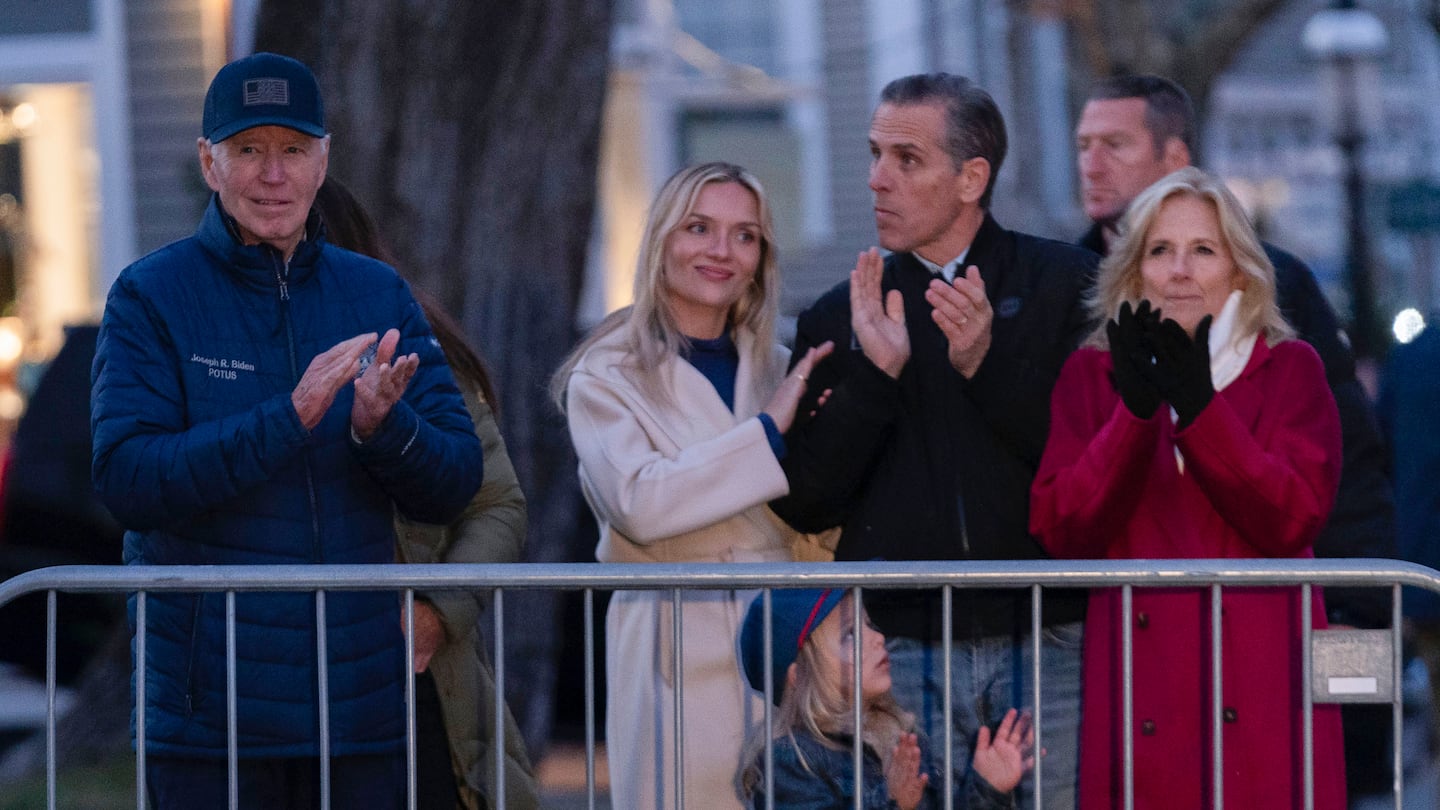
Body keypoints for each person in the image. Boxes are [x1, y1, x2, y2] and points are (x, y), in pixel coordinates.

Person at [90, 53, 484, 809]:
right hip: (211, 725)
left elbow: (456, 482)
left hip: (361, 718)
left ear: (323, 161)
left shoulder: (375, 290)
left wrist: (384, 428)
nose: (273, 175)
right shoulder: (150, 295)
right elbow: (128, 480)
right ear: (210, 164)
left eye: (293, 150)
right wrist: (288, 418)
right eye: (248, 150)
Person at [770, 73, 1097, 807]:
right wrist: (876, 379)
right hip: (901, 647)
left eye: (906, 159)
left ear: (971, 177)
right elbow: (806, 501)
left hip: (1047, 636)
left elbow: (1090, 470)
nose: (876, 179)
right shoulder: (838, 312)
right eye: (874, 153)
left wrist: (987, 365)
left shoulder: (1070, 287)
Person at [1073, 74, 1397, 794]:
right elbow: (1064, 514)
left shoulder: (1286, 329)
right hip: (1138, 664)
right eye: (1083, 145)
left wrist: (1360, 608)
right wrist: (1134, 414)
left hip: (1273, 643)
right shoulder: (1074, 316)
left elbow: (1338, 476)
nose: (1092, 163)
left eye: (1114, 144)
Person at [1030, 167, 1346, 808]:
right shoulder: (1093, 377)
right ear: (1132, 269)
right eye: (1160, 250)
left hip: (1261, 676)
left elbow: (1293, 518)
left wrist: (1201, 410)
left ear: (1239, 269)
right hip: (1142, 681)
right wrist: (1135, 416)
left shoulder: (1290, 369)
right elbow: (1063, 530)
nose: (1180, 270)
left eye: (1203, 250)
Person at [552, 161, 834, 810]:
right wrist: (766, 431)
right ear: (662, 240)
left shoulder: (783, 368)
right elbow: (641, 504)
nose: (720, 251)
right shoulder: (606, 374)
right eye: (699, 227)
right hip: (668, 646)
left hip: (783, 648)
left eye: (744, 235)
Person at [313, 177, 537, 810]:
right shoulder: (218, 353)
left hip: (412, 679)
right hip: (273, 681)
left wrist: (437, 612)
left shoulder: (419, 354)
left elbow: (498, 503)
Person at [737, 588, 1035, 809]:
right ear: (800, 676)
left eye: (869, 624)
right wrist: (890, 800)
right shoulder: (789, 760)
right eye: (851, 634)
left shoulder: (897, 734)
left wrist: (986, 788)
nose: (878, 638)